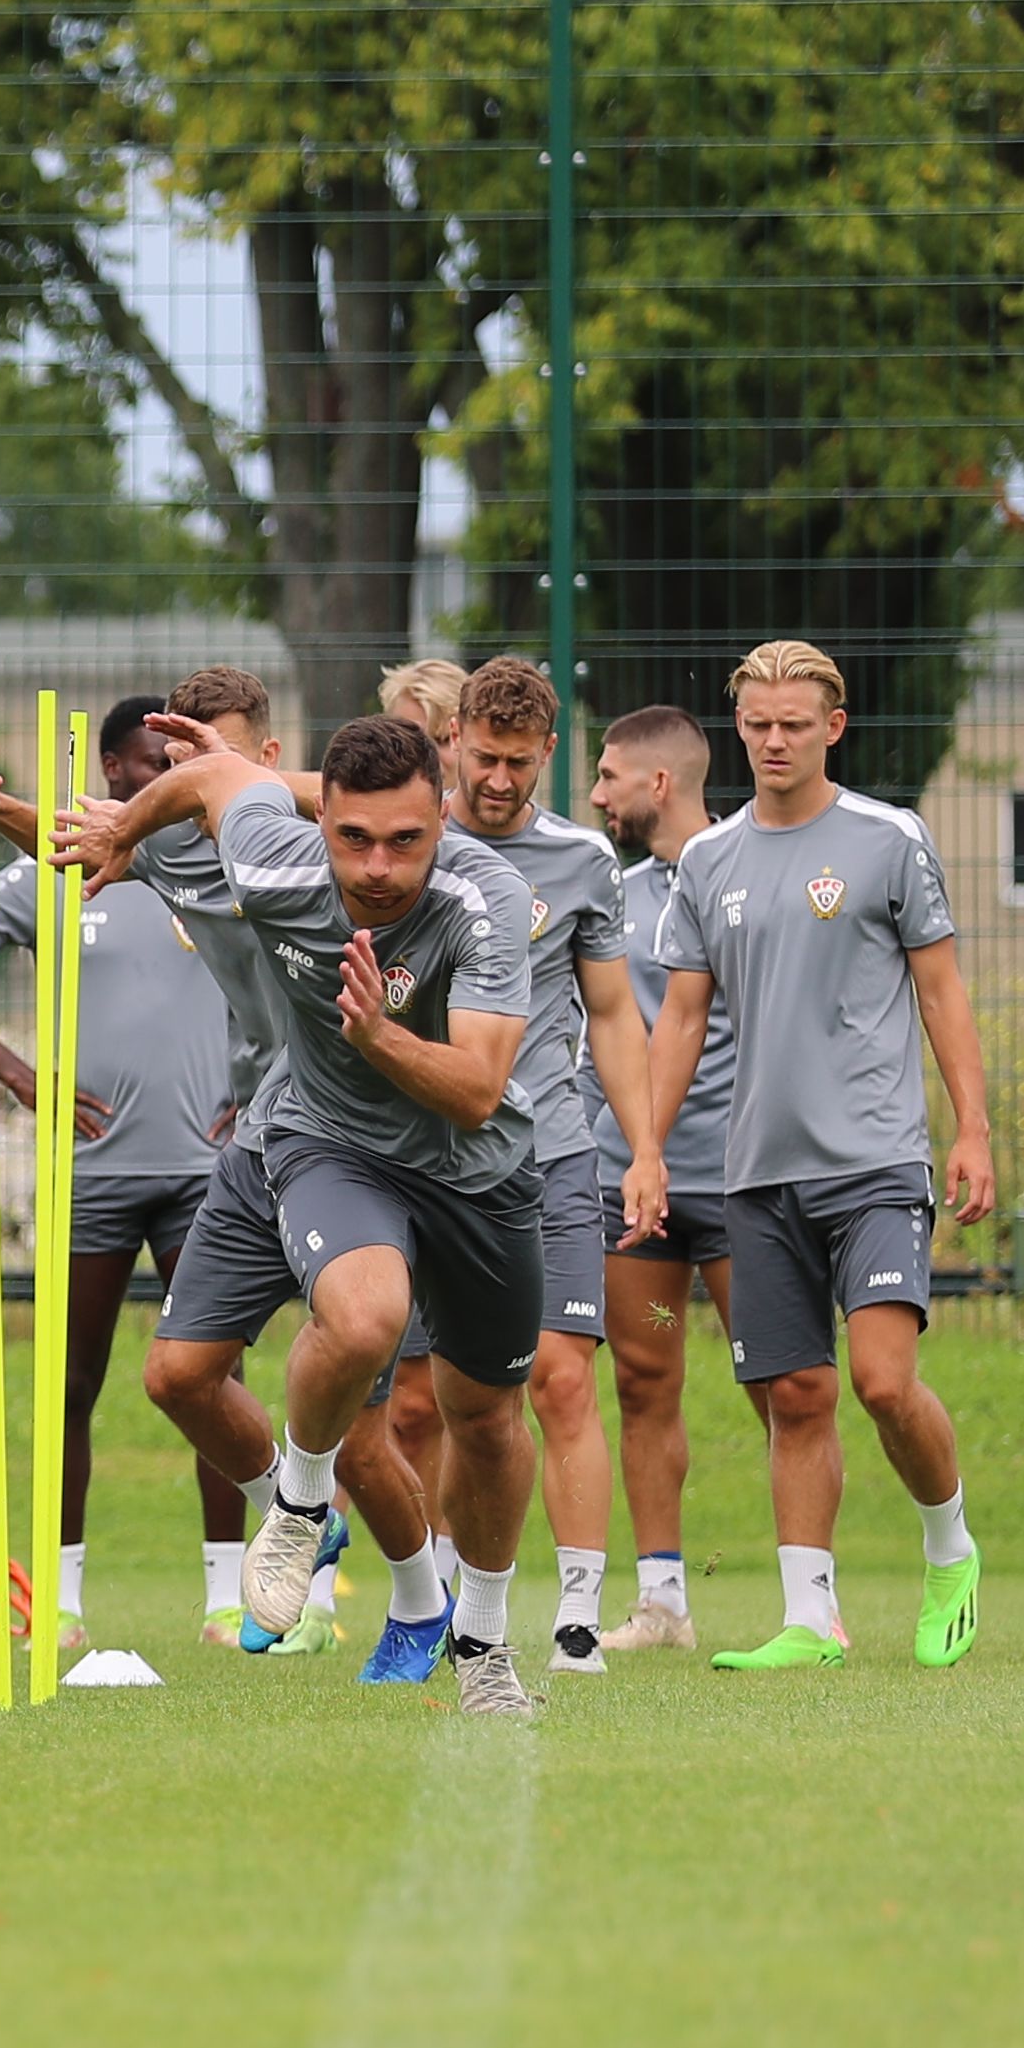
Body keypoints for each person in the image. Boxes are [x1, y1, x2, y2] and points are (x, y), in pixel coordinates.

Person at [56, 712, 550, 1716]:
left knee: (487, 1421)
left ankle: (484, 1647)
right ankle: (294, 1499)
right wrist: (122, 833)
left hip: (474, 1165)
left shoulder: (484, 895)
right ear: (318, 821)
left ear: (441, 818)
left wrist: (372, 1034)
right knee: (362, 1318)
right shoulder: (274, 862)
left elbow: (474, 1090)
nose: (375, 866)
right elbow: (215, 775)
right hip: (332, 1143)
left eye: (404, 840)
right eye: (352, 838)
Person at [0, 666, 414, 1667]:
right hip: (272, 1132)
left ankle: (426, 1601)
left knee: (384, 1387)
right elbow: (74, 845)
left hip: (376, 1131)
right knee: (180, 1374)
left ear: (267, 765)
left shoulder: (334, 847)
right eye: (171, 765)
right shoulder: (166, 848)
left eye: (211, 760)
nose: (186, 779)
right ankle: (305, 1533)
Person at [617, 639, 996, 1673]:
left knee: (878, 1381)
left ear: (833, 726)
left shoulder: (887, 839)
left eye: (792, 723)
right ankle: (809, 1618)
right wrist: (645, 1149)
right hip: (754, 1173)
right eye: (755, 723)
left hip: (872, 1162)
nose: (772, 740)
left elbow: (938, 991)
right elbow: (678, 1018)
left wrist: (969, 1127)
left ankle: (947, 1545)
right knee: (794, 1395)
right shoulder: (704, 861)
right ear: (735, 729)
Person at [0, 692, 242, 1648]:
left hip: (203, 1173)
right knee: (71, 1385)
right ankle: (56, 1605)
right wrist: (14, 1071)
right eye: (145, 765)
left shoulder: (217, 871)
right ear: (109, 772)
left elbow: (289, 988)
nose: (159, 783)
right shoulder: (49, 874)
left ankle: (229, 1601)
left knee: (209, 1379)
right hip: (92, 1170)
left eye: (175, 767)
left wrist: (255, 1095)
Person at [381, 657, 649, 1675]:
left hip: (551, 1156)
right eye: (482, 757)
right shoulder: (405, 845)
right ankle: (439, 1603)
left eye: (518, 761)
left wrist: (645, 1150)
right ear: (450, 743)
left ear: (548, 752)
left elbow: (614, 1016)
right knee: (426, 1400)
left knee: (560, 1379)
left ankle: (575, 1615)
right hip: (420, 1163)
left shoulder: (581, 860)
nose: (497, 779)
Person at [582, 705, 750, 1655]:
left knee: (783, 1386)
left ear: (659, 784)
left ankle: (816, 1599)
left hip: (738, 1180)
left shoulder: (747, 865)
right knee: (645, 1381)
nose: (595, 795)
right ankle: (663, 1603)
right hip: (628, 1185)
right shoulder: (610, 892)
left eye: (608, 777)